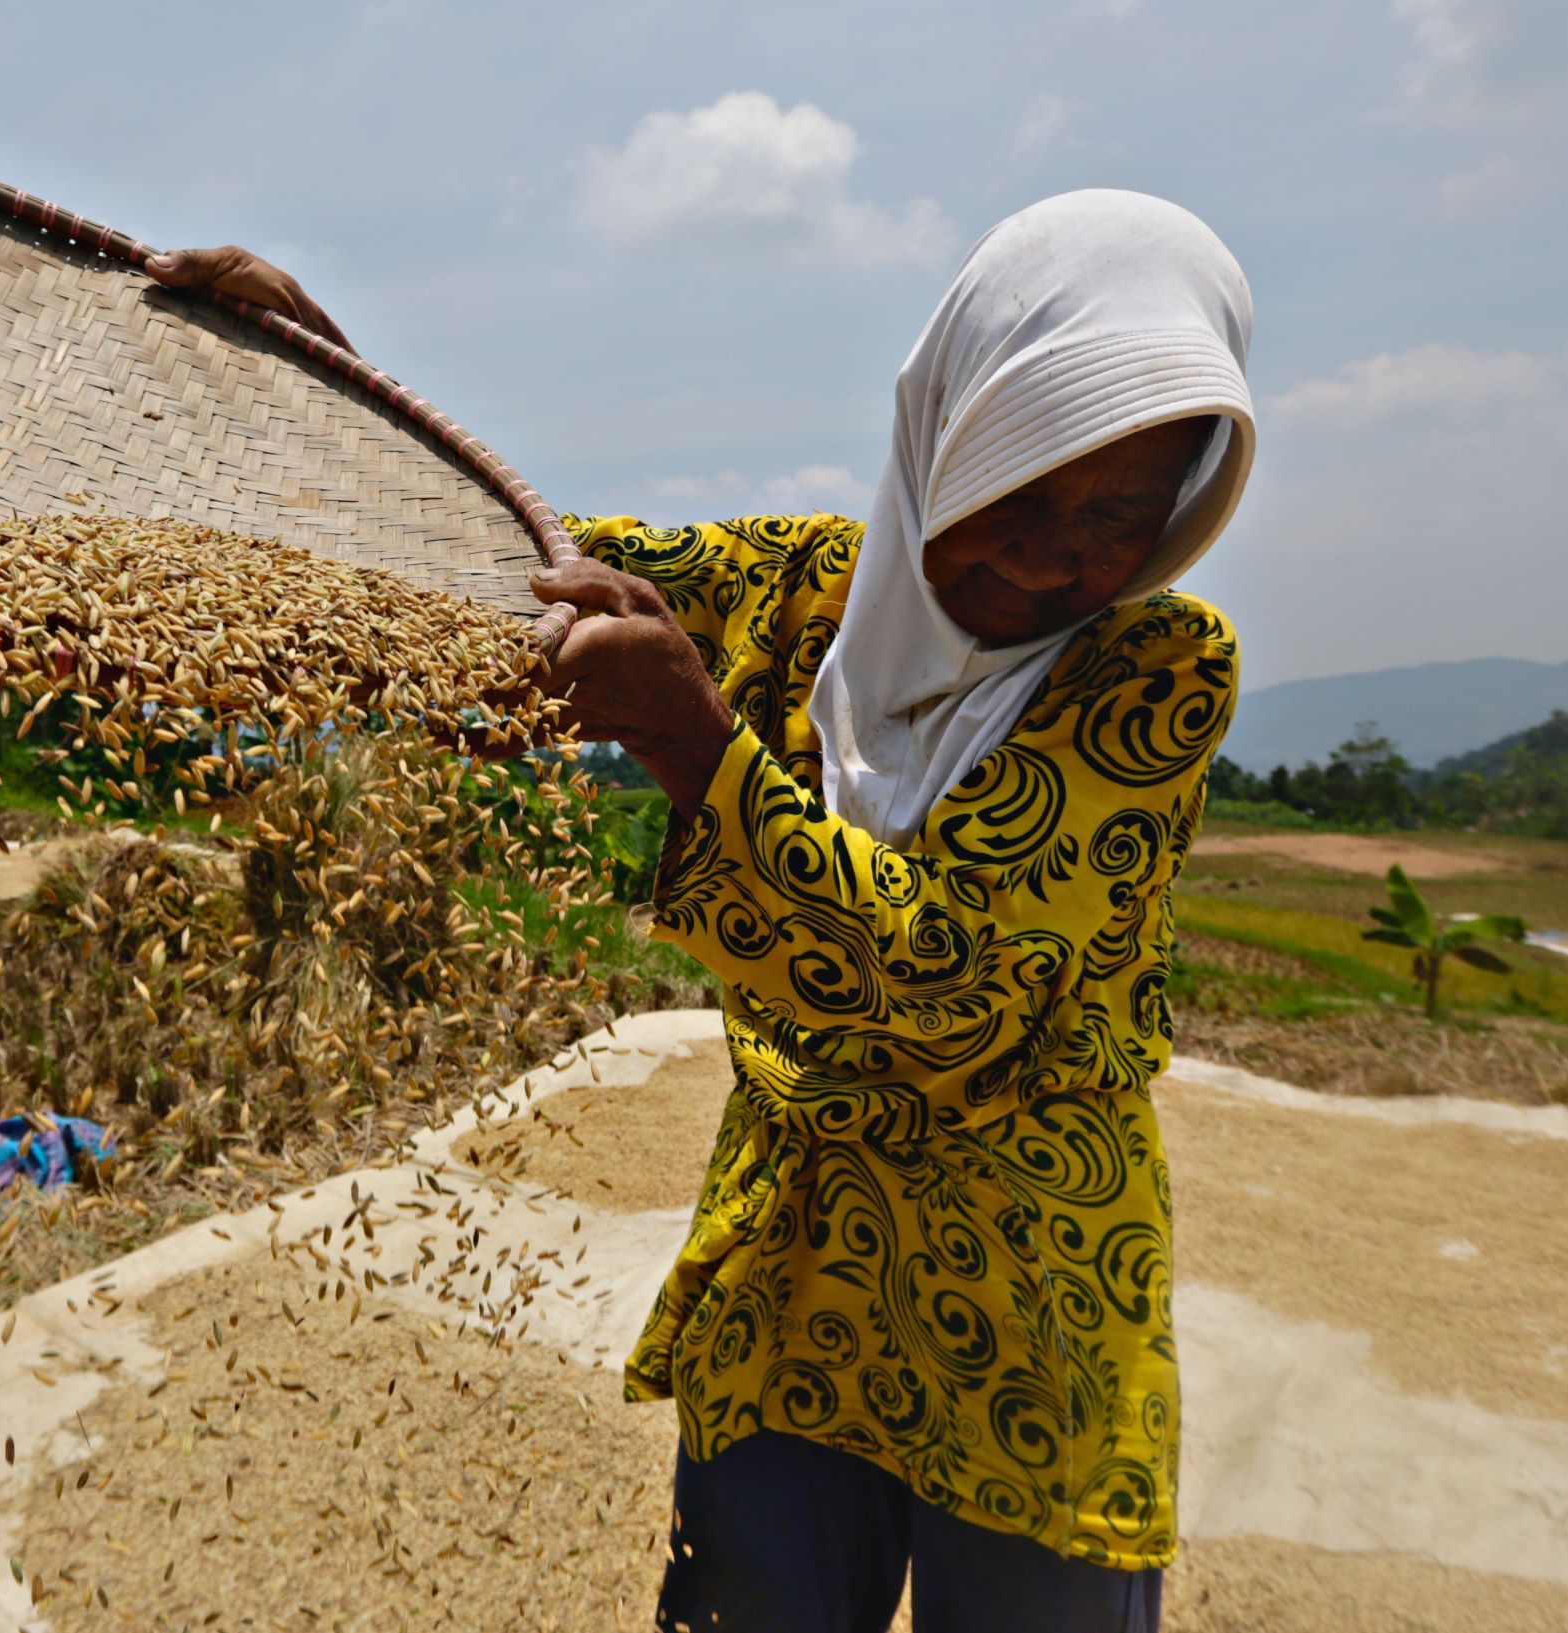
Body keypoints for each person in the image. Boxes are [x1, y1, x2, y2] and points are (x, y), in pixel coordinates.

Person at [148, 188, 1255, 1633]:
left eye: (1115, 515)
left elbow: (950, 992)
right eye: (1022, 490)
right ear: (942, 440)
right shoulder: (796, 586)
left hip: (1029, 1298)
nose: (1054, 559)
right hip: (792, 1275)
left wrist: (692, 743)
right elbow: (501, 578)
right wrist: (323, 387)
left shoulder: (1156, 663)